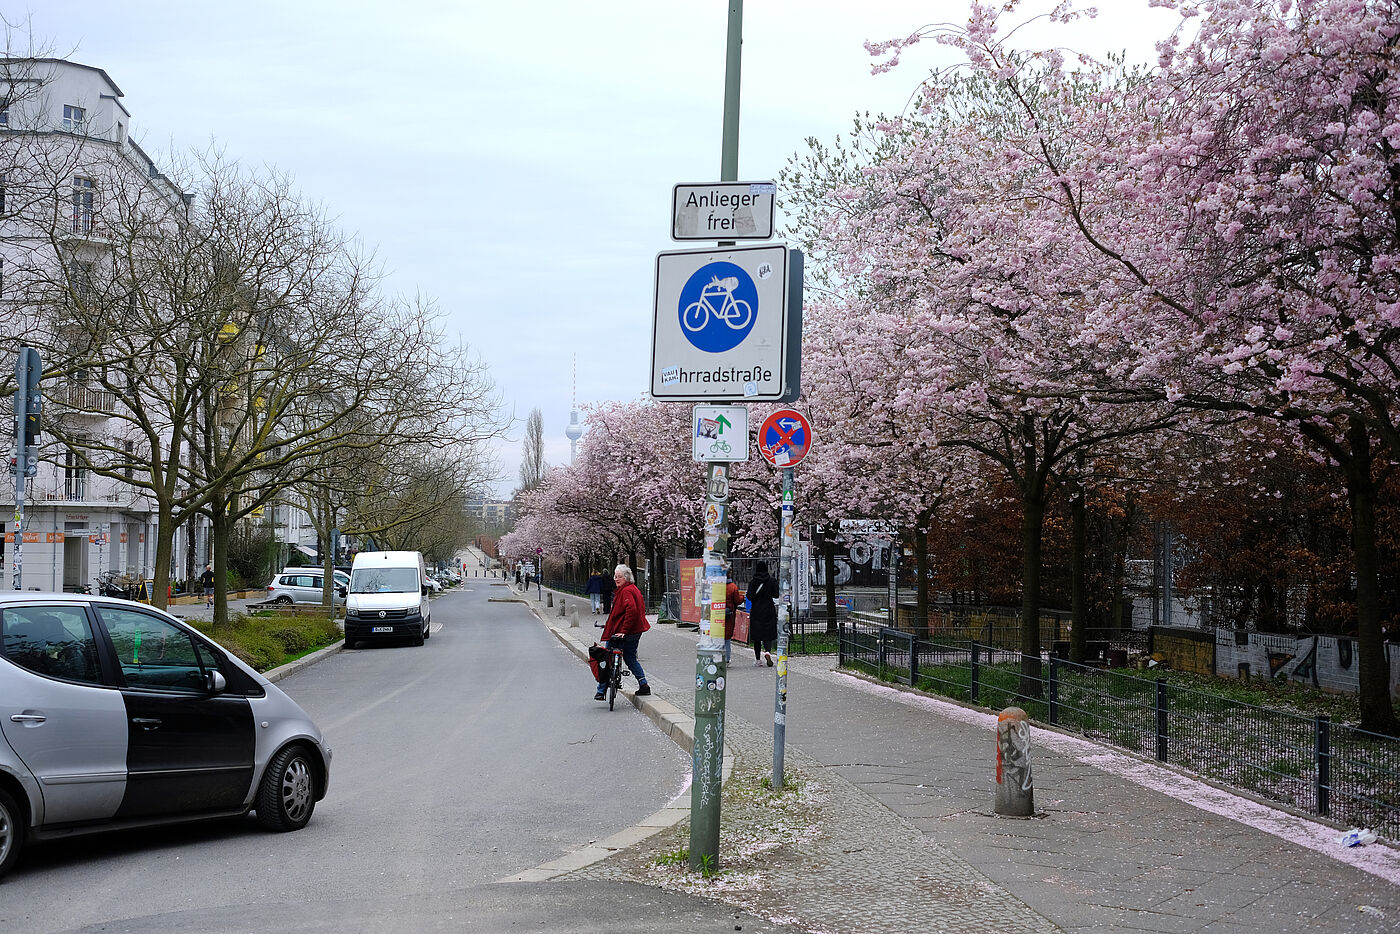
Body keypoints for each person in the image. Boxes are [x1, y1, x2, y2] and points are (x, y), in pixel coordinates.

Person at [595, 564, 651, 699]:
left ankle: (601, 691)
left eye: (619, 576)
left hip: (625, 632)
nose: (616, 579)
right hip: (636, 630)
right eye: (615, 576)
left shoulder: (626, 591)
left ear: (626, 578)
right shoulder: (633, 589)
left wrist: (624, 630)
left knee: (608, 656)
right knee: (630, 657)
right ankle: (644, 684)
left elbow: (631, 610)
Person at [746, 561, 779, 667]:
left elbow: (749, 596)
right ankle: (768, 651)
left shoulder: (753, 582)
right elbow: (776, 595)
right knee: (767, 632)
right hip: (769, 609)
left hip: (756, 610)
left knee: (757, 635)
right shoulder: (772, 581)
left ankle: (758, 659)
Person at [724, 575, 741, 664]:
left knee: (717, 636)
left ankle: (717, 657)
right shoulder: (733, 587)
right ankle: (727, 659)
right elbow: (737, 600)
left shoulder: (716, 586)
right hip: (729, 615)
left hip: (717, 614)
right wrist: (742, 598)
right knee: (727, 638)